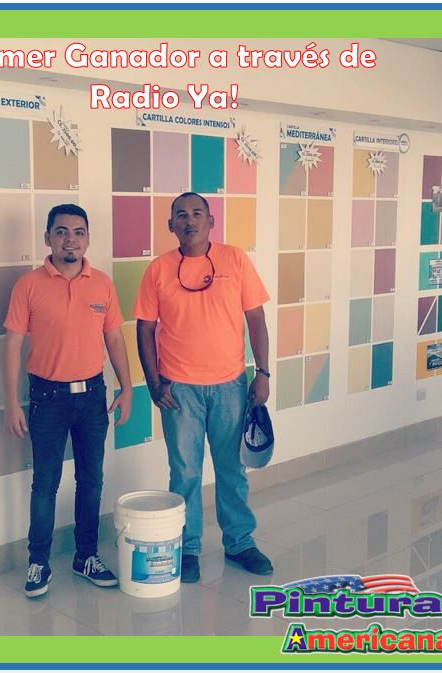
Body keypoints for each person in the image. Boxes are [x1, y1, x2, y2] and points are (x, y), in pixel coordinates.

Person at [133, 192, 273, 583]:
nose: (189, 220)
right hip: (179, 389)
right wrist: (153, 383)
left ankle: (240, 542)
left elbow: (256, 319)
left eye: (197, 213)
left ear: (211, 222)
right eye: (181, 215)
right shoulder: (158, 270)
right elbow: (144, 329)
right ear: (171, 225)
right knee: (185, 473)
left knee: (232, 470)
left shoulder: (235, 259)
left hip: (230, 385)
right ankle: (188, 547)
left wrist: (263, 372)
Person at [4, 203, 132, 598]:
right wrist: (11, 402)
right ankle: (38, 562)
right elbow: (12, 345)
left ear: (88, 238)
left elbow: (114, 338)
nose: (69, 240)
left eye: (78, 232)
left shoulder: (102, 284)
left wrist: (126, 387)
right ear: (48, 238)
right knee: (45, 483)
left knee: (91, 480)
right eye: (61, 232)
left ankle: (86, 557)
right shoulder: (28, 285)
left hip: (93, 397)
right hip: (47, 398)